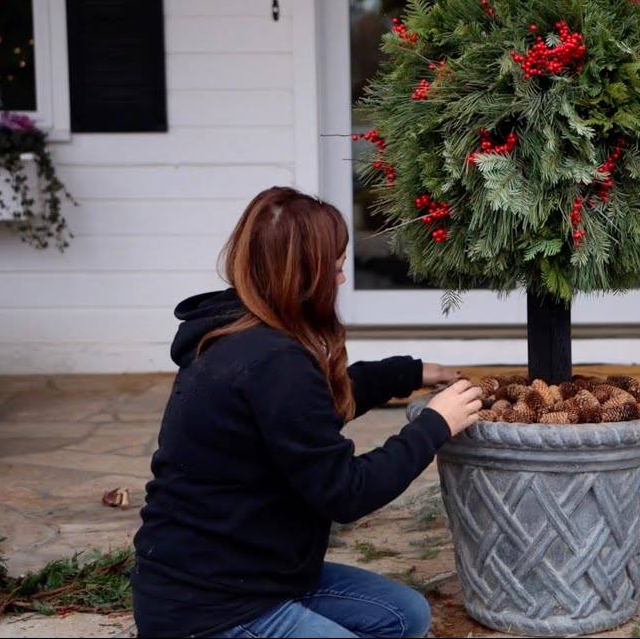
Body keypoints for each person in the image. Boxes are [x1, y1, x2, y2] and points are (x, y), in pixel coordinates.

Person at [132, 187, 483, 637]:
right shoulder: (271, 360)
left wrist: (409, 372)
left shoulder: (236, 329)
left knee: (404, 616)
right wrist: (436, 425)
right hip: (212, 608)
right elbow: (346, 492)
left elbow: (306, 410)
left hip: (254, 574)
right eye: (334, 269)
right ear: (304, 275)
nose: (339, 280)